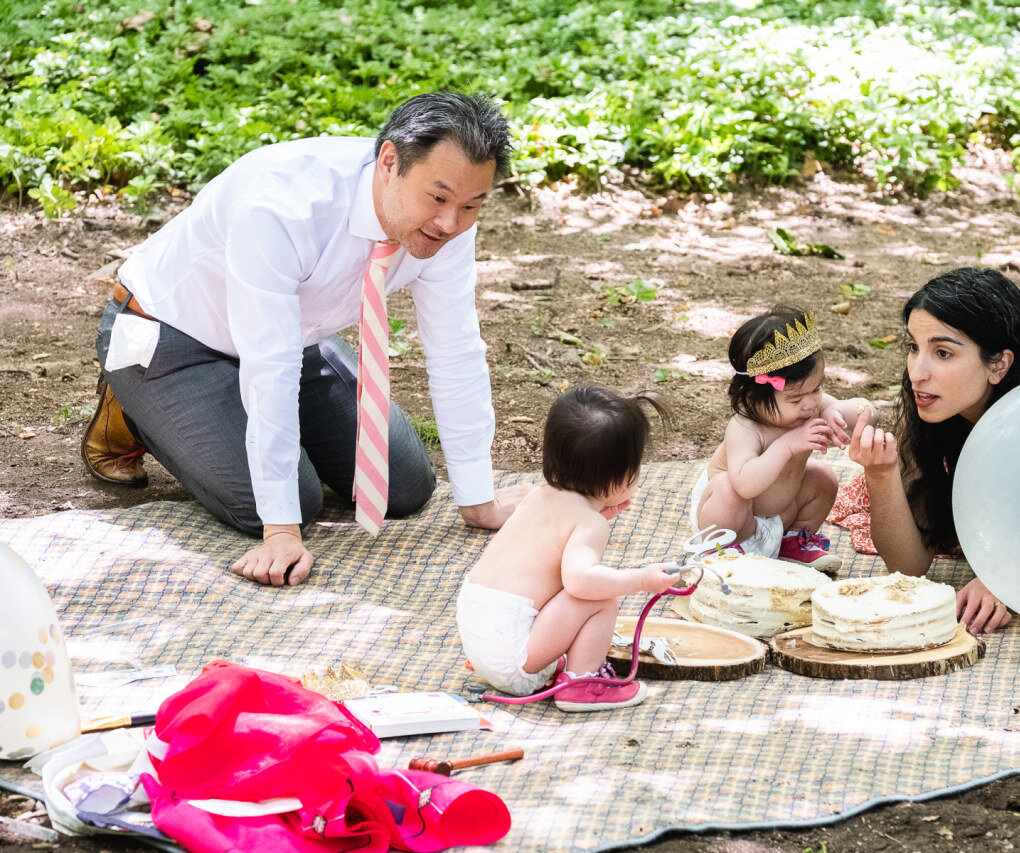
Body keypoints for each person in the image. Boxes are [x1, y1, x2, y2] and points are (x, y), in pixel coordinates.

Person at [81, 91, 530, 587]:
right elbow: (268, 366)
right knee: (293, 501)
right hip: (169, 336)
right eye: (439, 198)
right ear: (389, 162)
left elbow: (456, 349)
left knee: (405, 486)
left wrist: (478, 498)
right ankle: (134, 412)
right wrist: (279, 530)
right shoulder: (283, 205)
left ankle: (230, 428)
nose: (450, 222)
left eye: (471, 205)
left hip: (296, 336)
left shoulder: (451, 219)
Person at [845, 267, 1020, 633]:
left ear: (998, 364)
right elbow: (909, 567)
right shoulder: (934, 412)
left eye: (943, 353)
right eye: (914, 347)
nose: (917, 372)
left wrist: (1010, 580)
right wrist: (881, 475)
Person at [456, 385, 676, 712]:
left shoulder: (536, 496)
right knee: (599, 599)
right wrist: (642, 579)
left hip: (479, 636)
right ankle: (582, 683)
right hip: (511, 656)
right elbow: (580, 581)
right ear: (620, 477)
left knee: (570, 593)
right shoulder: (589, 524)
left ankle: (550, 664)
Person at [691, 306, 875, 572]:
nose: (811, 403)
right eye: (796, 398)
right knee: (726, 488)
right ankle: (717, 554)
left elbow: (867, 412)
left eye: (817, 389)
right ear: (752, 398)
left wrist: (838, 411)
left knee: (823, 478)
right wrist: (788, 445)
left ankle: (793, 542)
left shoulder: (812, 404)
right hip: (731, 523)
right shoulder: (746, 427)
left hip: (777, 517)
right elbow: (744, 485)